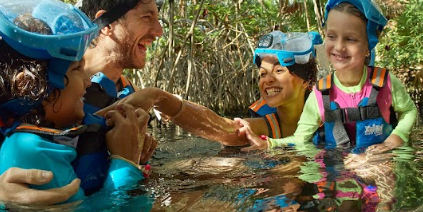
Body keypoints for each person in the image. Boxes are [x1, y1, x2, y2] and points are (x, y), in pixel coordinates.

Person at [0, 0, 169, 205]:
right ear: (108, 25)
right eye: (146, 17)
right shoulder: (44, 79)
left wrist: (136, 154)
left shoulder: (124, 90)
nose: (159, 30)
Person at [237, 0, 418, 153]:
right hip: (337, 173)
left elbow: (409, 111)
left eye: (351, 39)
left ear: (368, 45)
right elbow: (300, 139)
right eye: (332, 36)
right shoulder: (320, 93)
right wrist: (269, 143)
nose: (339, 46)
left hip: (379, 164)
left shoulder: (385, 82)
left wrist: (395, 139)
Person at [101, 30, 322, 145]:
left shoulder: (331, 120)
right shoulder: (268, 128)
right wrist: (158, 97)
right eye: (262, 74)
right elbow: (220, 126)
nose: (268, 80)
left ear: (306, 81)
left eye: (279, 71)